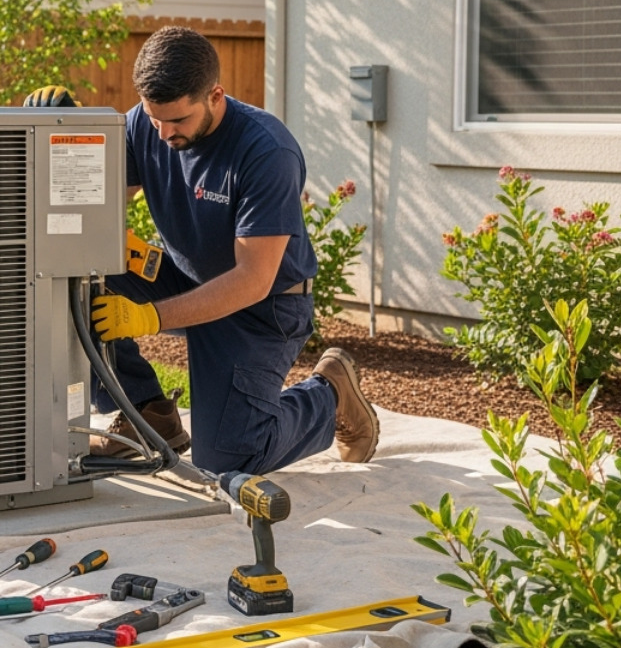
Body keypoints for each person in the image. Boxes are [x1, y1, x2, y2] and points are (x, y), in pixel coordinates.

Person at [28, 25, 377, 476]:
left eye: (178, 121)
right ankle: (147, 414)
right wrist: (59, 136)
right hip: (186, 277)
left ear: (216, 95)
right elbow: (89, 205)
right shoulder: (146, 125)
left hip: (263, 308)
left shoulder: (265, 151)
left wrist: (149, 317)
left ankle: (328, 395)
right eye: (155, 118)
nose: (164, 132)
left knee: (228, 458)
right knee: (72, 270)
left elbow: (253, 278)